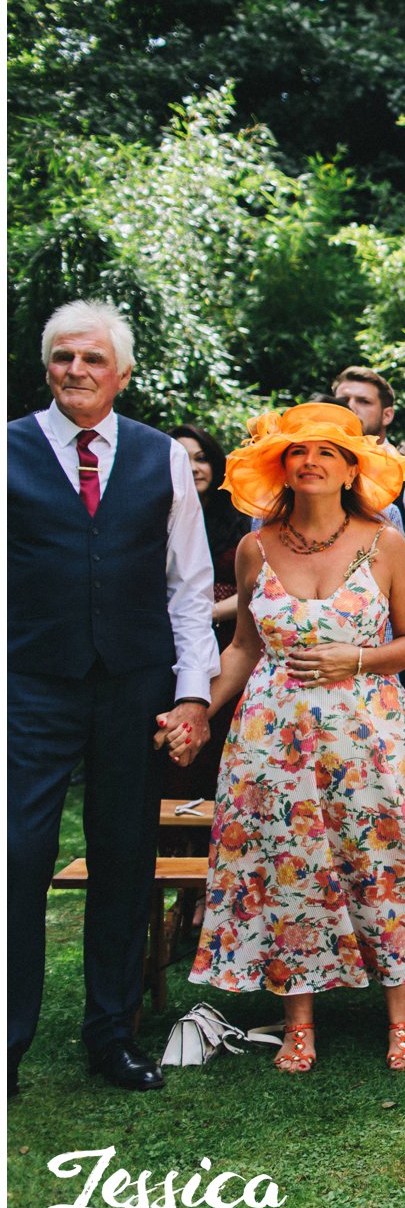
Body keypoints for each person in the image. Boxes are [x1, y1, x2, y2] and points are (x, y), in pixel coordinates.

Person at [188, 402, 405, 1073]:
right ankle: (299, 1023)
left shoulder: (382, 542)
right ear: (280, 466)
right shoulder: (253, 548)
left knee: (383, 862)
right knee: (288, 866)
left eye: (327, 451)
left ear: (353, 466)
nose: (311, 461)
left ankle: (403, 1019)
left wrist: (353, 659)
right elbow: (243, 647)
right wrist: (199, 712)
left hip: (370, 734)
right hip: (273, 740)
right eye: (297, 452)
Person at [10, 300, 220, 1095]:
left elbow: (189, 588)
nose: (77, 371)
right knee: (17, 856)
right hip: (29, 683)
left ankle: (111, 1035)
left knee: (125, 862)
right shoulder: (9, 449)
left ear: (121, 373)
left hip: (135, 687)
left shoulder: (160, 454)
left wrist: (193, 697)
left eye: (93, 359)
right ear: (47, 368)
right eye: (64, 358)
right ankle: (8, 1041)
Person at [156, 423, 255, 814]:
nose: (193, 467)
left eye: (200, 458)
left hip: (232, 636)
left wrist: (210, 610)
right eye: (182, 458)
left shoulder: (239, 518)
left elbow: (256, 588)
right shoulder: (157, 513)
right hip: (172, 639)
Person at [334, 366, 405, 559]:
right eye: (342, 401)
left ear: (387, 415)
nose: (350, 407)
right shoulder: (313, 473)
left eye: (363, 401)